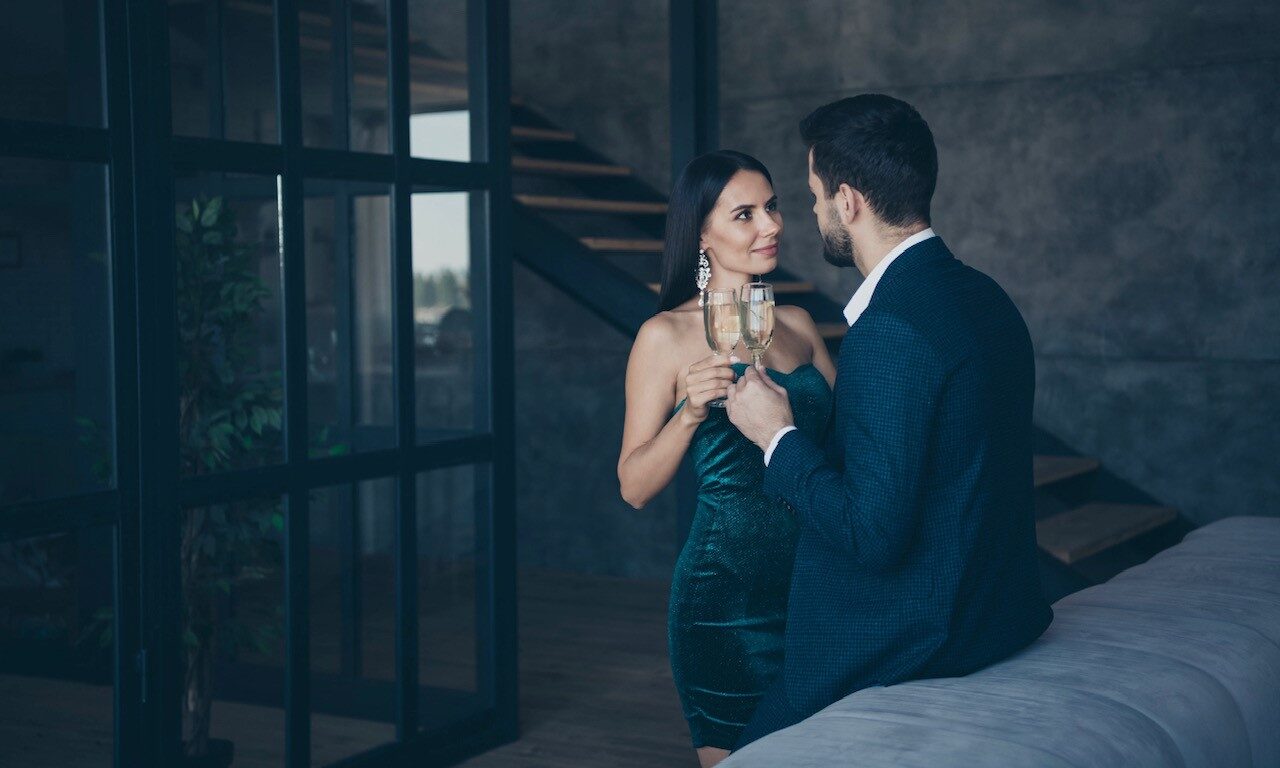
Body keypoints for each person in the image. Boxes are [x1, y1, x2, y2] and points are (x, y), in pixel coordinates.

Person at [725, 94, 1054, 748]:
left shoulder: (889, 331)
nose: (812, 211)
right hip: (997, 614)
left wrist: (776, 437)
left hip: (915, 638)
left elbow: (872, 533)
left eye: (814, 196)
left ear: (848, 201)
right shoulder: (986, 296)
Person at [617, 150, 835, 767]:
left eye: (773, 207)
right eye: (745, 214)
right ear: (701, 236)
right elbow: (633, 486)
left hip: (820, 587)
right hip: (727, 602)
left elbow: (849, 447)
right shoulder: (664, 336)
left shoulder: (799, 325)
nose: (771, 225)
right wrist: (689, 413)